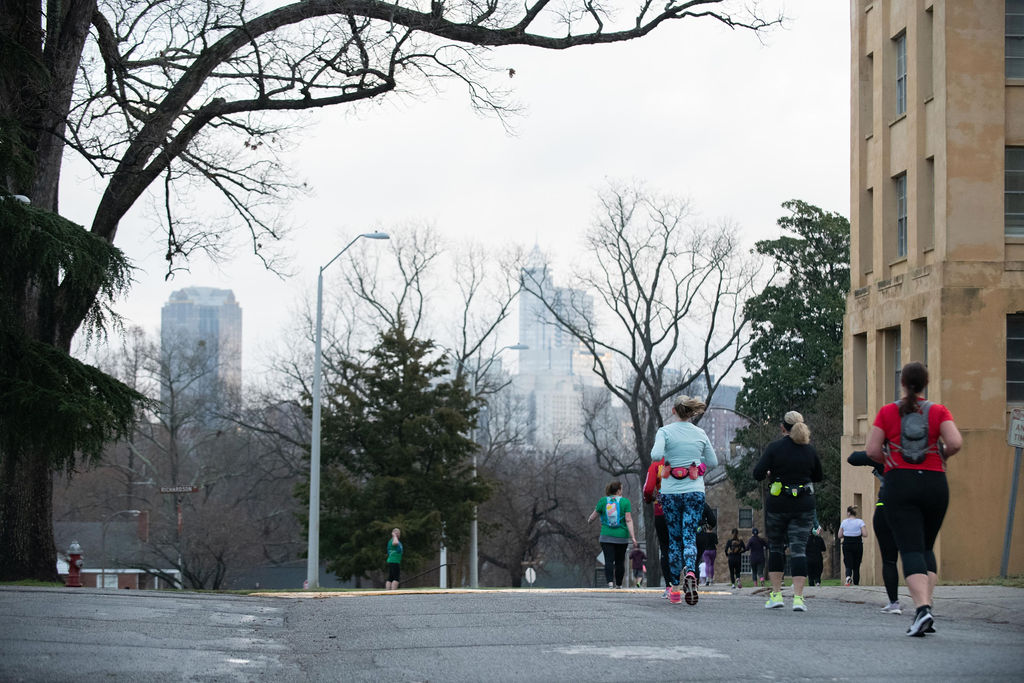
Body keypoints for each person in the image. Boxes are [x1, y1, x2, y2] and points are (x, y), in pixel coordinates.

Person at [866, 361, 962, 637]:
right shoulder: (938, 411)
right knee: (926, 547)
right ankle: (927, 606)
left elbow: (872, 449)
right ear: (925, 384)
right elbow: (955, 443)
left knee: (909, 549)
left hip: (900, 482)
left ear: (903, 383)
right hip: (935, 483)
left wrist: (891, 459)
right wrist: (940, 455)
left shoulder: (887, 412)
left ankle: (921, 610)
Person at [650, 395, 718, 605]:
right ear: (690, 412)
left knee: (674, 540)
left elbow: (655, 455)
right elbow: (713, 462)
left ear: (674, 411)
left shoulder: (665, 431)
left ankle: (675, 589)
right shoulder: (700, 433)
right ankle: (691, 573)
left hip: (670, 493)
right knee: (689, 536)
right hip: (694, 491)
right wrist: (698, 466)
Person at [753, 410, 824, 611]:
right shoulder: (809, 450)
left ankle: (776, 595)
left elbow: (757, 473)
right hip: (804, 505)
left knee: (776, 547)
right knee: (799, 549)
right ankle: (799, 598)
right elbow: (818, 476)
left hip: (778, 505)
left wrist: (771, 473)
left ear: (783, 427)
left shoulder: (774, 448)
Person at [848, 450, 902, 614]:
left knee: (889, 559)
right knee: (917, 553)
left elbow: (853, 458)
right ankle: (924, 604)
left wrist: (877, 452)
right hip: (913, 507)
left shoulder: (889, 455)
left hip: (886, 506)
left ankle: (894, 602)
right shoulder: (921, 454)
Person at [587, 480, 638, 589]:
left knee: (608, 560)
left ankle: (610, 583)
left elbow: (593, 515)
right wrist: (633, 537)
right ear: (619, 490)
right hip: (621, 537)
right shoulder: (625, 502)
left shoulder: (603, 501)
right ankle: (619, 584)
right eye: (622, 489)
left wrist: (589, 521)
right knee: (620, 561)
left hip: (606, 536)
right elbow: (628, 520)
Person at [642, 456, 672, 597]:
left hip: (661, 511)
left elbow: (648, 489)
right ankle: (689, 577)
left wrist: (649, 499)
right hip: (680, 511)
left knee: (665, 548)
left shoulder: (656, 466)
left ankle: (669, 586)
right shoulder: (683, 461)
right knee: (682, 544)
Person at [838, 505, 868, 586]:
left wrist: (847, 533)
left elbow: (839, 535)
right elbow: (865, 534)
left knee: (848, 562)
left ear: (848, 513)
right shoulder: (860, 522)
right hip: (857, 543)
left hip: (847, 543)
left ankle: (848, 577)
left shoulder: (844, 522)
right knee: (856, 564)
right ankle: (856, 583)